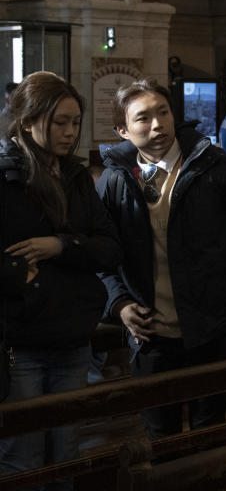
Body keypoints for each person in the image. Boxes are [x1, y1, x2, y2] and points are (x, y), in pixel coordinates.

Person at [97, 79, 226, 438]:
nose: (157, 125)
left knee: (209, 431)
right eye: (143, 118)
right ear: (122, 130)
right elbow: (101, 254)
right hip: (150, 332)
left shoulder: (210, 168)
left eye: (163, 113)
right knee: (160, 434)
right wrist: (119, 302)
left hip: (209, 326)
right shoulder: (115, 180)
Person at [0, 72, 122, 487]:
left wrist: (60, 246)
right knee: (24, 458)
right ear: (29, 118)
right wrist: (19, 274)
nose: (70, 132)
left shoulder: (75, 177)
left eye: (75, 122)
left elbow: (108, 246)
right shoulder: (5, 176)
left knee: (67, 454)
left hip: (73, 337)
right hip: (21, 341)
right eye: (59, 122)